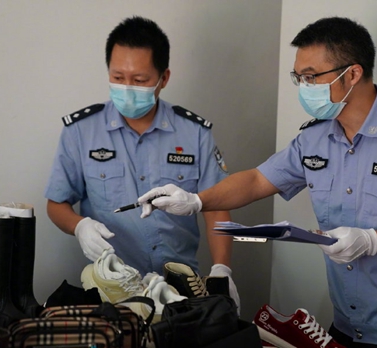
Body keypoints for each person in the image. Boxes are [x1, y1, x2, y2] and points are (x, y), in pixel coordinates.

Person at [138, 17, 377, 348]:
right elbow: (257, 180)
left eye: (311, 77)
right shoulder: (315, 137)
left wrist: (372, 240)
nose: (303, 87)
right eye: (298, 77)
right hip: (345, 327)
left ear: (352, 74)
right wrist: (195, 200)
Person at [44, 16, 238, 308]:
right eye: (118, 77)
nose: (127, 88)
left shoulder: (194, 132)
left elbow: (217, 206)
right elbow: (56, 203)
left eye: (139, 80)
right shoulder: (81, 131)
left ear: (163, 78)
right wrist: (80, 226)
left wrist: (222, 268)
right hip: (111, 289)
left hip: (179, 290)